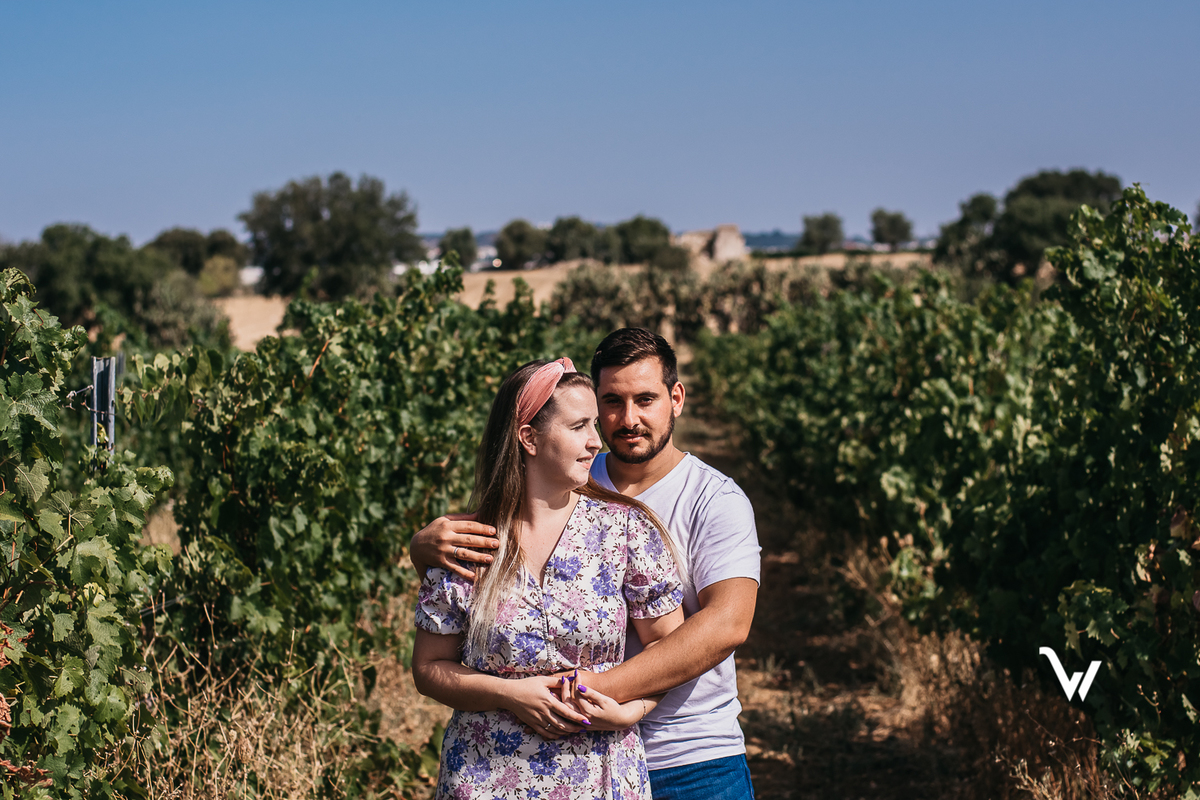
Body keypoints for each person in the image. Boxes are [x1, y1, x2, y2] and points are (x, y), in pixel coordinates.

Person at [412, 329, 761, 800]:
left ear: (676, 398)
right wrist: (422, 548)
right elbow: (435, 657)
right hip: (492, 775)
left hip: (687, 750)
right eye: (610, 404)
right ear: (531, 439)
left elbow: (726, 626)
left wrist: (598, 696)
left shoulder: (706, 502)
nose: (624, 421)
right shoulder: (557, 486)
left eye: (646, 399)